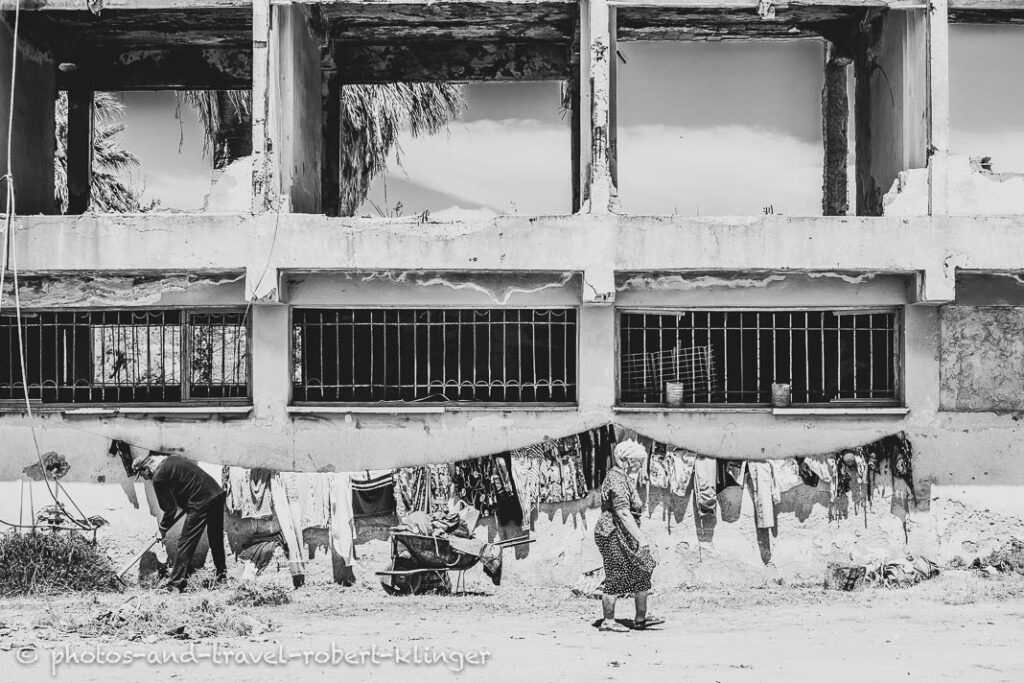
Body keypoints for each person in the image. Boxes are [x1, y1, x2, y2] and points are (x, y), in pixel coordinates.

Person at [594, 439, 663, 632]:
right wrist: (641, 538)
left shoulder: (624, 477)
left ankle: (641, 618)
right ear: (626, 459)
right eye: (638, 460)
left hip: (625, 533)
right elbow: (623, 512)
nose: (641, 465)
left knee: (643, 567)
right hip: (612, 532)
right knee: (616, 573)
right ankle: (608, 621)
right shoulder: (615, 477)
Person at [134, 452, 227, 591]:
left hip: (200, 500)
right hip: (216, 494)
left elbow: (170, 509)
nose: (145, 478)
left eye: (142, 475)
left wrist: (162, 529)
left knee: (186, 542)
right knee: (215, 538)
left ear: (146, 469)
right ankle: (222, 577)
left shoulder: (159, 477)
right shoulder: (171, 461)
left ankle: (175, 585)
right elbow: (184, 487)